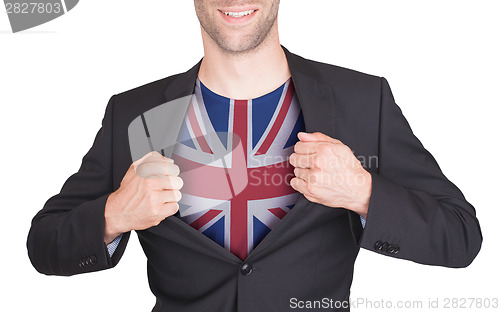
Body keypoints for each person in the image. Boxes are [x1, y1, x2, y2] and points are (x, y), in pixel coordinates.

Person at [27, 1, 482, 311]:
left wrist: (363, 192)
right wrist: (114, 214)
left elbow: (460, 236)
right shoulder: (136, 113)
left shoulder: (362, 101)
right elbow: (44, 245)